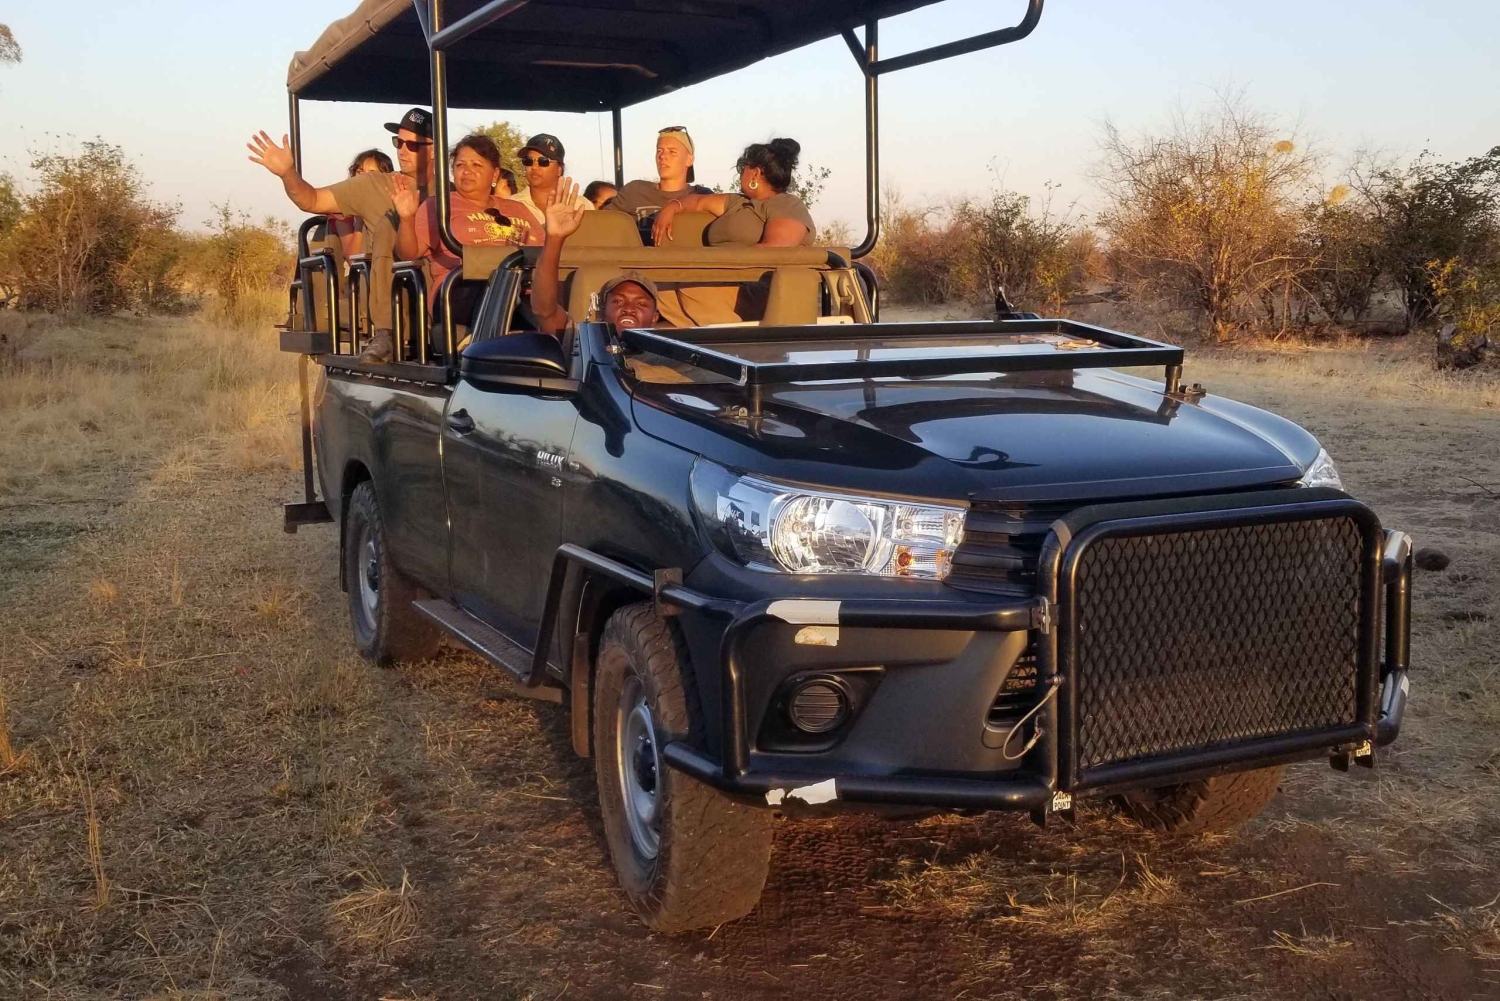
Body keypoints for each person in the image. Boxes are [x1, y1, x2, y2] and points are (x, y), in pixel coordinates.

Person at [247, 107, 436, 362]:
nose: (402, 150)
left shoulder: (452, 193)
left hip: (441, 285)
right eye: (398, 142)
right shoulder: (373, 184)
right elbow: (311, 200)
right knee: (390, 226)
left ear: (433, 150)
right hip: (397, 286)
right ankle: (387, 332)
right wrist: (288, 174)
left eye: (411, 145)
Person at [391, 133, 540, 331]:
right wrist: (406, 218)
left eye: (476, 165)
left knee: (542, 298)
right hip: (460, 288)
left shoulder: (518, 209)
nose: (467, 171)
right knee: (499, 293)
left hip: (519, 287)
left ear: (495, 174)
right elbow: (408, 254)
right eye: (460, 165)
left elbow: (542, 253)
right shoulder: (438, 206)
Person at [531, 179, 663, 337]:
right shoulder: (581, 339)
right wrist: (555, 238)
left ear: (654, 318)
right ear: (601, 311)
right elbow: (544, 311)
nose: (629, 309)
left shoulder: (671, 350)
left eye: (641, 304)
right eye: (618, 301)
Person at [651, 138, 815, 248]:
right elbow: (698, 201)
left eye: (742, 168)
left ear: (755, 173)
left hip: (747, 282)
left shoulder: (787, 204)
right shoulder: (738, 202)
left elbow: (774, 252)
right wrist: (672, 206)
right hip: (711, 277)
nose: (740, 174)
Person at [605, 126, 712, 240]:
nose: (662, 156)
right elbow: (601, 224)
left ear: (689, 160)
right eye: (659, 151)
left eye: (672, 152)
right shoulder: (634, 191)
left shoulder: (702, 195)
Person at [509, 134, 592, 234]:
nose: (534, 167)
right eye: (528, 161)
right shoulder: (509, 205)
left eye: (543, 161)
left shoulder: (581, 205)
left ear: (559, 169)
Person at [328, 149, 394, 258]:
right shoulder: (344, 215)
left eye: (372, 174)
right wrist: (359, 225)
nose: (364, 178)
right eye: (360, 172)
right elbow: (353, 260)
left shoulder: (394, 207)